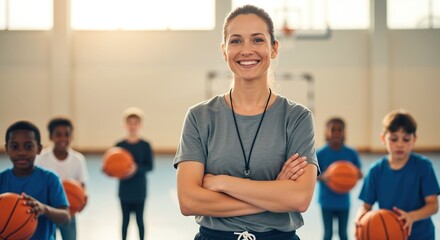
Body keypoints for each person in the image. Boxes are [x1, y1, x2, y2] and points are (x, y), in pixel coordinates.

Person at [174, 5, 319, 240]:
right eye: (236, 41)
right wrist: (274, 193)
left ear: (274, 48)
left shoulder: (297, 118)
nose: (247, 50)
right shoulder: (199, 117)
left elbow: (298, 199)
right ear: (224, 50)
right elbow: (189, 202)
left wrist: (222, 182)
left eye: (258, 40)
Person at [356, 110, 440, 240]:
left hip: (421, 235)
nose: (400, 144)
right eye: (394, 139)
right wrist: (360, 219)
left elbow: (433, 205)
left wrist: (411, 216)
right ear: (383, 139)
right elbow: (366, 206)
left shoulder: (423, 167)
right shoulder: (375, 171)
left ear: (414, 139)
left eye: (406, 139)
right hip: (390, 235)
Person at [0, 120, 71, 240]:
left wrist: (44, 209)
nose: (21, 152)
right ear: (7, 149)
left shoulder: (50, 179)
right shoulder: (1, 179)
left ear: (39, 148)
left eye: (28, 146)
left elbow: (66, 217)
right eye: (15, 146)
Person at [35, 117, 89, 240]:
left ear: (71, 136)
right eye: (58, 134)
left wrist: (83, 198)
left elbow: (82, 186)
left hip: (69, 211)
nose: (63, 138)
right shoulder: (41, 158)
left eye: (67, 134)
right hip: (47, 212)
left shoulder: (78, 159)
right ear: (51, 136)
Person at [316, 117, 362, 240]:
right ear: (327, 132)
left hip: (343, 201)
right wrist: (323, 177)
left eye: (339, 129)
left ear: (344, 132)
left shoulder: (351, 152)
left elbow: (360, 173)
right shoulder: (320, 153)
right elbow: (313, 175)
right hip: (326, 200)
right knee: (328, 234)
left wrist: (354, 175)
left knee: (343, 234)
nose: (336, 132)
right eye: (333, 129)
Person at [115, 107, 154, 240]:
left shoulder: (145, 145)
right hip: (124, 190)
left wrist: (135, 169)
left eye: (135, 123)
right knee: (125, 221)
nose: (132, 126)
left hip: (139, 190)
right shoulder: (119, 145)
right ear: (124, 125)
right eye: (129, 123)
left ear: (140, 125)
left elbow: (150, 166)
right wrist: (109, 170)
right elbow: (112, 166)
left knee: (139, 220)